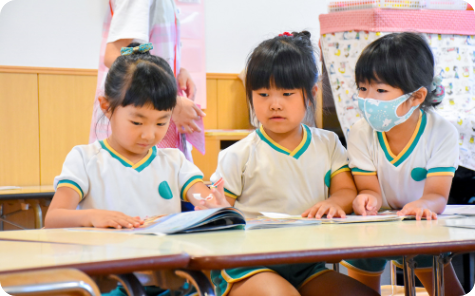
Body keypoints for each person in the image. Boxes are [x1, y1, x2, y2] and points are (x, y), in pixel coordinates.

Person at [208, 31, 379, 296]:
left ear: (311, 93)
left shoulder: (328, 143)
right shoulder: (239, 153)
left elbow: (346, 191)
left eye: (287, 93)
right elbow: (219, 213)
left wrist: (334, 203)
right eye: (263, 94)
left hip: (306, 266)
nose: (274, 105)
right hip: (248, 265)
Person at [45, 44, 227, 230]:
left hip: (159, 257)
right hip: (107, 256)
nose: (149, 135)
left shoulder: (175, 163)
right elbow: (53, 218)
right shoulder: (85, 159)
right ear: (106, 107)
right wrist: (92, 216)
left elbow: (203, 198)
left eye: (161, 123)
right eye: (137, 123)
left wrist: (215, 205)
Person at [343, 32, 464, 296]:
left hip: (420, 227)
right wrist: (366, 199)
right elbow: (369, 190)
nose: (368, 99)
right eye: (363, 88)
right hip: (373, 228)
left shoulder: (442, 132)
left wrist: (424, 205)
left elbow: (436, 196)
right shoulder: (360, 132)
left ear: (416, 97)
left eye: (381, 90)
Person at [90, 0, 204, 161]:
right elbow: (113, 55)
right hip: (143, 103)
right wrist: (172, 101)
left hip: (153, 103)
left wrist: (178, 69)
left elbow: (147, 48)